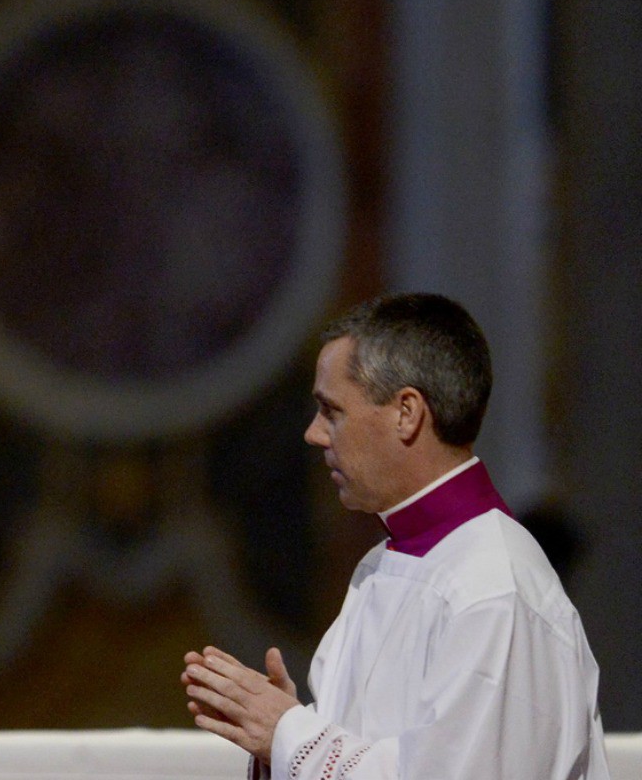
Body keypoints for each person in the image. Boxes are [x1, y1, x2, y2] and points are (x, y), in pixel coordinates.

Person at [181, 294, 610, 780]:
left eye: (331, 411)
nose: (314, 434)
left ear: (407, 413)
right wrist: (279, 750)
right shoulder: (381, 566)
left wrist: (291, 736)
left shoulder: (492, 587)